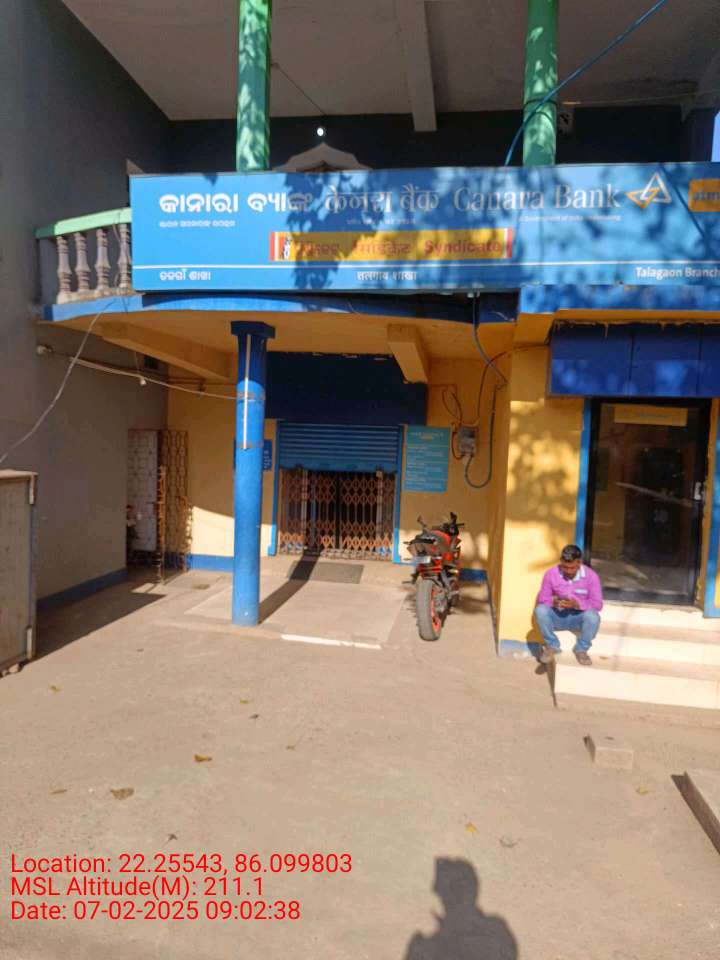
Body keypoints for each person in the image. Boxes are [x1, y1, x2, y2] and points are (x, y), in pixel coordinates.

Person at [535, 544, 603, 666]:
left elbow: (598, 604)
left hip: (578, 618)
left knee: (593, 617)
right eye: (565, 567)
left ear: (579, 563)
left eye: (572, 568)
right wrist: (553, 601)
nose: (568, 571)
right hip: (558, 616)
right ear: (561, 562)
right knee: (540, 610)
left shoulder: (591, 576)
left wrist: (577, 604)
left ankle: (581, 649)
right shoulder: (551, 574)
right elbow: (542, 599)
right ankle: (552, 646)